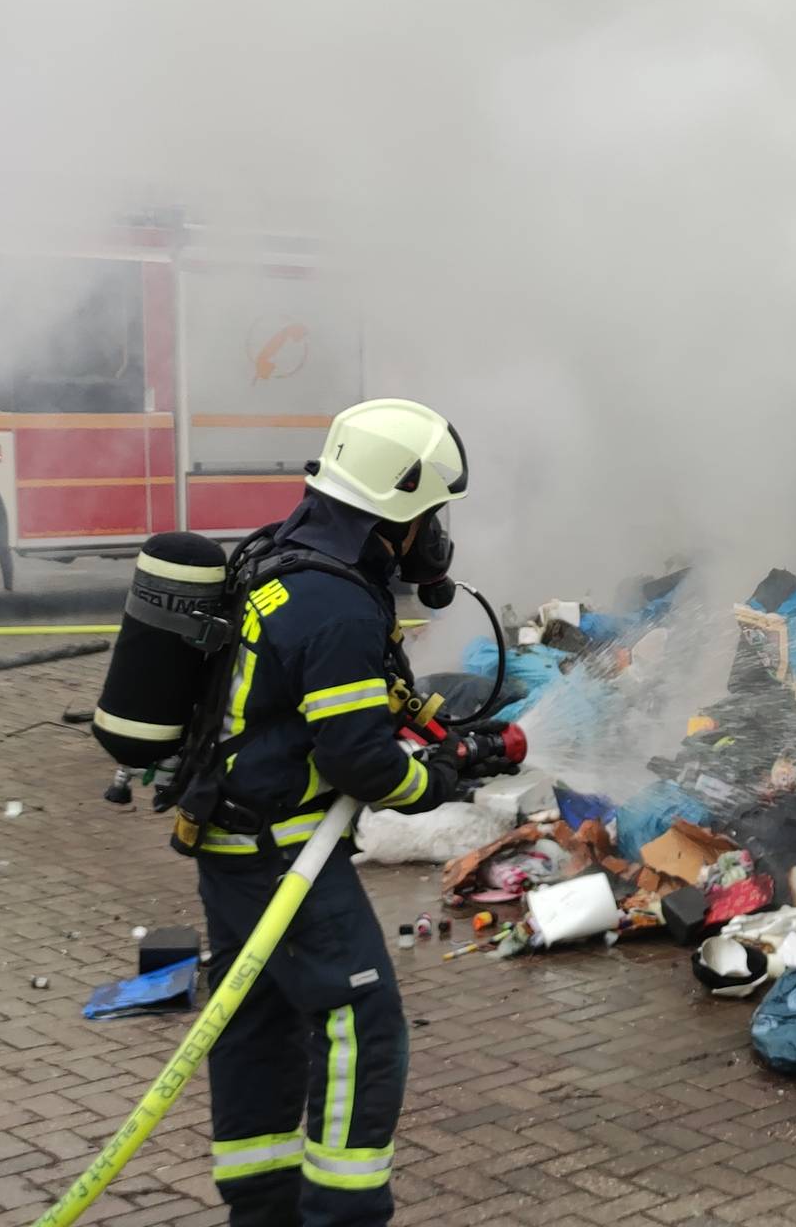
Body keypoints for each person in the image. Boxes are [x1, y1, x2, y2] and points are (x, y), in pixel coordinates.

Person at [172, 397, 505, 1226]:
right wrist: (439, 783)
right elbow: (358, 760)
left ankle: (263, 1209)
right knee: (363, 1026)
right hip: (286, 855)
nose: (437, 530)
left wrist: (431, 728)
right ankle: (342, 1215)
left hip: (231, 837)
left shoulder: (288, 556)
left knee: (258, 1019)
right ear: (398, 510)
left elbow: (323, 706)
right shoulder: (342, 605)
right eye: (433, 510)